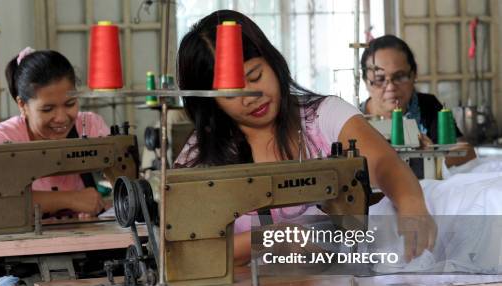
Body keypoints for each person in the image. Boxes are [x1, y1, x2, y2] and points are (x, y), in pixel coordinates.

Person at [174, 10, 436, 265]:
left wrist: (410, 201)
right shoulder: (201, 153)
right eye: (231, 94)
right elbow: (185, 250)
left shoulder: (323, 116)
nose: (253, 96)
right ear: (210, 102)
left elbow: (383, 163)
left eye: (256, 76)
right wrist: (273, 240)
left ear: (272, 62)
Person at [0, 48, 108, 218]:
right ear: (22, 105)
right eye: (48, 109)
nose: (62, 118)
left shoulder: (89, 125)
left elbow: (124, 176)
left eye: (70, 104)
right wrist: (71, 199)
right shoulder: (0, 139)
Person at [360, 35, 476, 167]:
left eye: (400, 76)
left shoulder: (427, 106)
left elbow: (467, 153)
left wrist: (432, 154)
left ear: (414, 74)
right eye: (380, 79)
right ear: (365, 82)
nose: (391, 87)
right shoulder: (354, 120)